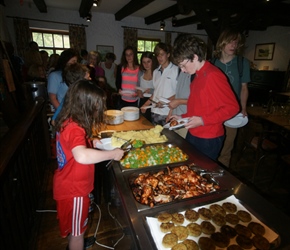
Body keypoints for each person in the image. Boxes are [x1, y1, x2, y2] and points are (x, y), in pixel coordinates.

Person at [53, 80, 124, 250]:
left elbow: (75, 147)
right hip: (75, 190)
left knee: (75, 228)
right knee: (78, 234)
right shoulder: (75, 127)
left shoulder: (69, 121)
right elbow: (82, 155)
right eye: (97, 106)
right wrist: (112, 154)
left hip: (69, 186)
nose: (98, 110)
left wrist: (93, 142)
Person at [171, 34, 240, 160]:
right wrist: (182, 117)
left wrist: (203, 120)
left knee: (202, 174)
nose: (183, 70)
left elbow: (233, 108)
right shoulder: (197, 75)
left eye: (183, 65)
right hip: (194, 132)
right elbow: (197, 107)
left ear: (195, 57)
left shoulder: (213, 75)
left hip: (209, 137)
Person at [212, 29, 250, 167]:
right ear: (222, 43)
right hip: (213, 110)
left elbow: (244, 88)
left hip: (232, 111)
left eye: (236, 42)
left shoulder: (242, 63)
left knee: (227, 147)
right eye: (230, 42)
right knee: (212, 143)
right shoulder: (212, 63)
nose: (233, 45)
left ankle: (222, 176)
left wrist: (243, 108)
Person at [141, 42, 178, 126]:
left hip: (168, 112)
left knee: (168, 138)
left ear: (168, 54)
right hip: (154, 111)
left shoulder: (176, 70)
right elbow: (156, 92)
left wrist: (165, 102)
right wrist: (146, 104)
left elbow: (179, 93)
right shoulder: (155, 72)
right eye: (158, 55)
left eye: (162, 54)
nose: (160, 58)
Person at [166, 71, 194, 138]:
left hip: (186, 119)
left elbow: (198, 102)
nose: (182, 68)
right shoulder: (181, 71)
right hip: (175, 117)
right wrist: (170, 113)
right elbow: (177, 95)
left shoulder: (195, 75)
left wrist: (179, 101)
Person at [138, 51, 158, 122]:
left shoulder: (157, 73)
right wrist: (139, 91)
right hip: (142, 101)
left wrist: (151, 90)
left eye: (148, 62)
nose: (146, 64)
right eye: (144, 62)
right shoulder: (140, 73)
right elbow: (138, 86)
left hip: (153, 102)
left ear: (153, 61)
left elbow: (159, 90)